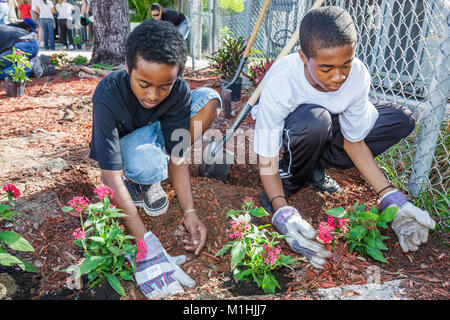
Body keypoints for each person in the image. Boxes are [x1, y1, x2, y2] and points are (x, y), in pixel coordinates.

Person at [252, 6, 436, 269]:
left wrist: (391, 198)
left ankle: (317, 167)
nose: (338, 76)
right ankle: (292, 178)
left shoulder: (358, 75)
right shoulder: (282, 82)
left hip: (329, 129)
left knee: (401, 119)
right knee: (314, 121)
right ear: (304, 57)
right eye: (327, 68)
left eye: (345, 64)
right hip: (298, 131)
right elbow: (266, 157)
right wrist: (281, 209)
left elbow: (354, 140)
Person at [88, 19, 222, 299]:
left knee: (210, 100)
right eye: (144, 84)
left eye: (165, 86)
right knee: (145, 158)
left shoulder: (178, 91)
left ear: (177, 76)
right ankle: (141, 179)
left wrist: (190, 213)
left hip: (156, 134)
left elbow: (178, 155)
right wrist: (144, 242)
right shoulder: (108, 94)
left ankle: (149, 171)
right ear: (128, 67)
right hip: (129, 149)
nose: (153, 95)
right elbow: (110, 177)